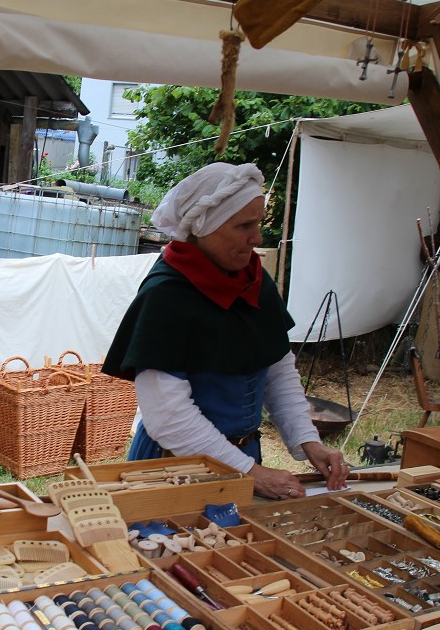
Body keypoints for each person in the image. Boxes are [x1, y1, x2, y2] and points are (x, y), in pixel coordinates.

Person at [102, 162, 349, 500]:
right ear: (204, 227)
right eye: (244, 225)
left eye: (258, 223)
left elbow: (276, 370)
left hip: (244, 461)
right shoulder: (166, 297)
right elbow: (169, 418)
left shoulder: (254, 281)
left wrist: (309, 442)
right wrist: (251, 473)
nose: (258, 237)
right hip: (174, 468)